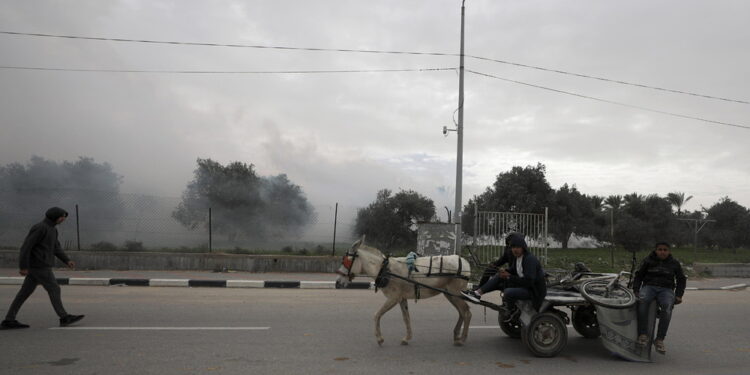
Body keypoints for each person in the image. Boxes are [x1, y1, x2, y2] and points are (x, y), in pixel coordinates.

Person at [1, 207, 85, 329]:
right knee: (54, 289)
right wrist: (23, 266)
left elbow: (56, 248)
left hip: (40, 265)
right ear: (54, 216)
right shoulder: (40, 228)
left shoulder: (53, 230)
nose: (63, 219)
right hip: (39, 266)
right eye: (62, 217)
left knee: (24, 293)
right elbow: (26, 247)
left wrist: (66, 260)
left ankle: (9, 320)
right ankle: (64, 317)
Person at [461, 234, 547, 319]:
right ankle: (477, 293)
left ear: (523, 248)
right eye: (512, 247)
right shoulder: (518, 258)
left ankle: (511, 310)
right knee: (499, 276)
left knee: (508, 292)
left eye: (517, 247)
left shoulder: (529, 259)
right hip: (525, 285)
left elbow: (529, 281)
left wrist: (509, 276)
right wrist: (504, 272)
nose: (514, 250)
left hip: (533, 291)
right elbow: (512, 270)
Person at [632, 242, 686, 355]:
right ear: (656, 250)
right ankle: (642, 335)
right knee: (642, 301)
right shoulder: (648, 261)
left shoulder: (674, 263)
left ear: (669, 251)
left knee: (667, 307)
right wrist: (636, 290)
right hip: (649, 287)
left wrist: (679, 295)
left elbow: (681, 279)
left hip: (666, 289)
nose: (662, 252)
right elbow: (639, 276)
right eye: (660, 249)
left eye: (665, 250)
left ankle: (659, 339)